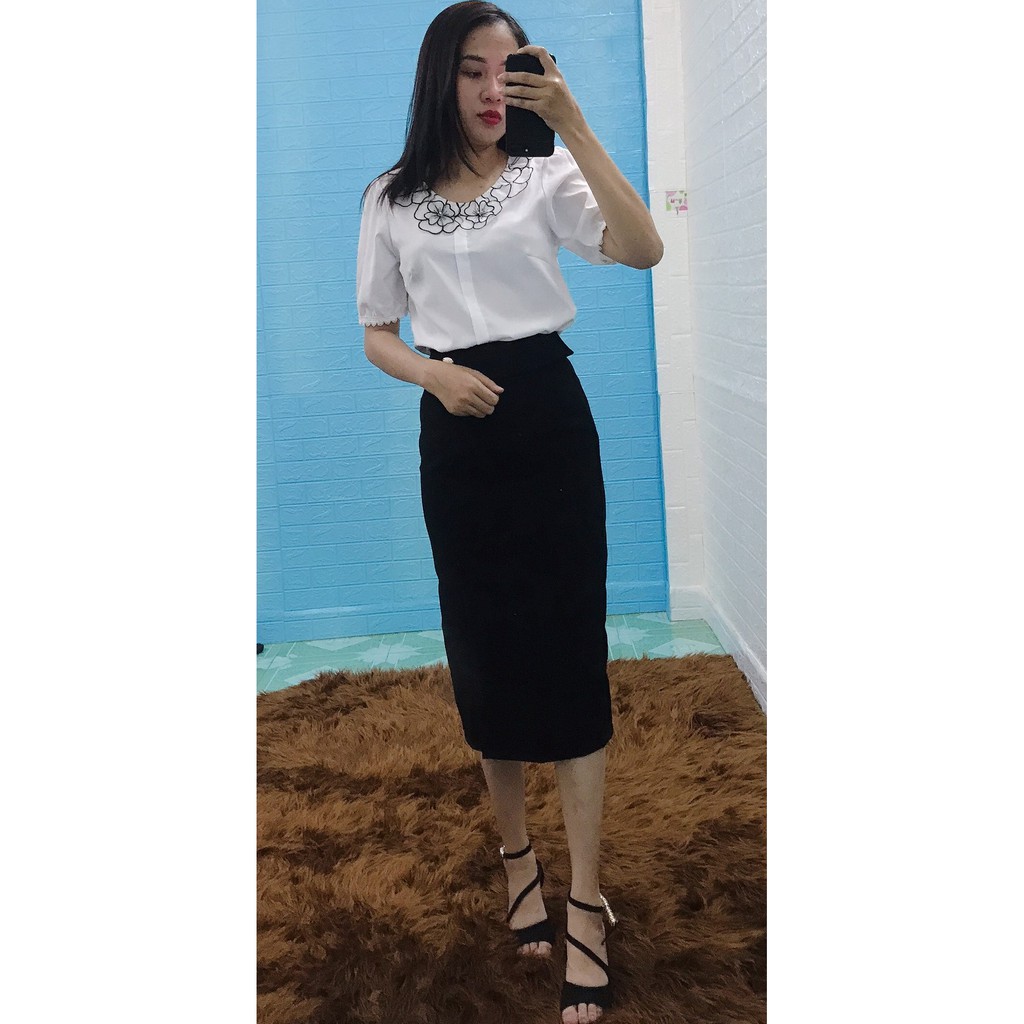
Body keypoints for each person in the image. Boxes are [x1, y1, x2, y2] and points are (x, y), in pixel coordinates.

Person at [356, 4, 663, 1021]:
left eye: (511, 68)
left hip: (547, 419)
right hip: (457, 433)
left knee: (569, 646)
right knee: (483, 647)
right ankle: (515, 855)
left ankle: (586, 899)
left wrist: (573, 123)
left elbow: (644, 248)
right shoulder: (390, 198)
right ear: (437, 79)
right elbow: (377, 331)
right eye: (473, 70)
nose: (495, 88)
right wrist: (434, 375)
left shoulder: (547, 174)